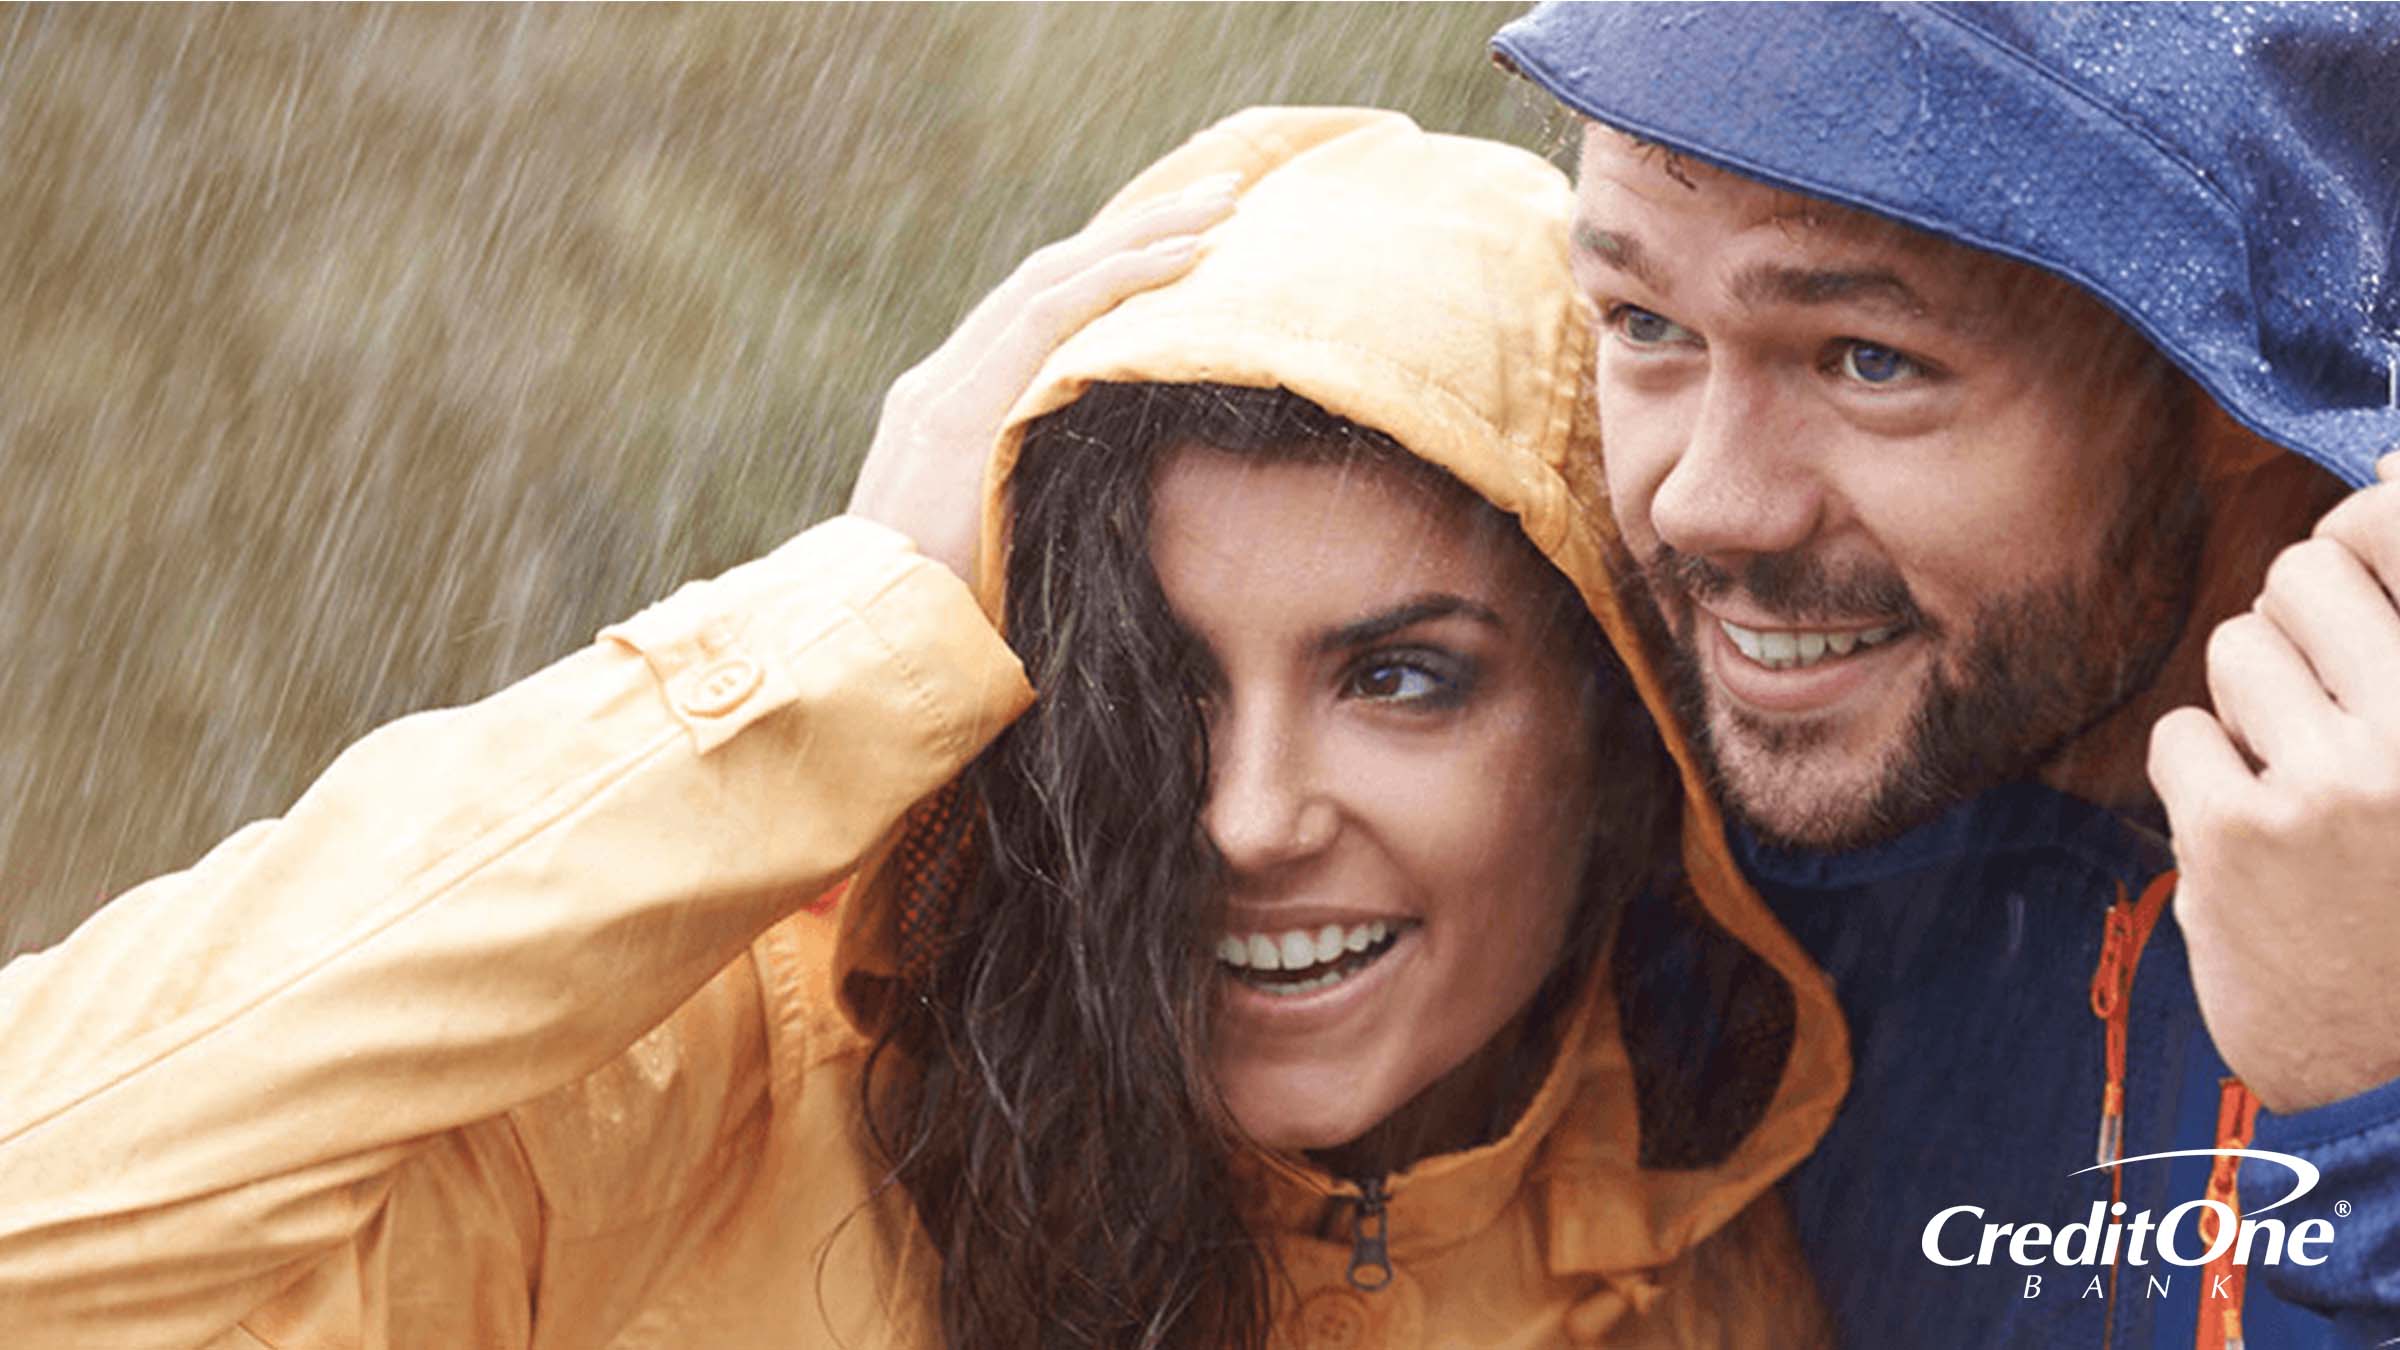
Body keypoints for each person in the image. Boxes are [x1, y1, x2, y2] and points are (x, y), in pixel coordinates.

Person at [0, 108, 1850, 1348]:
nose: (1246, 817)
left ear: (1618, 741)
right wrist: (840, 614)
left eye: (1400, 677)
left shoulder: (1691, 1269)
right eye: (1162, 684)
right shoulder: (713, 1103)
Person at [1489, 4, 2400, 1347]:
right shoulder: (1640, 824)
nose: (1703, 501)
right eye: (1643, 323)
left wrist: (2371, 1108)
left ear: (2227, 386)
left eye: (1870, 358)